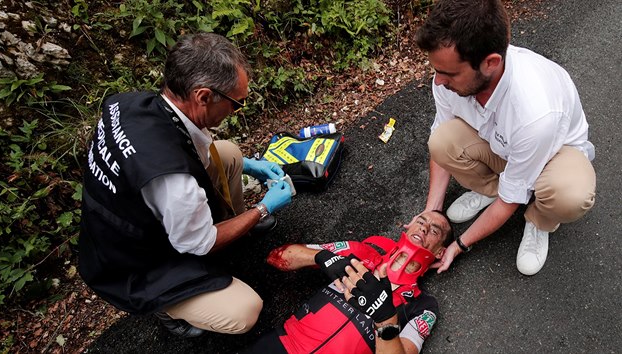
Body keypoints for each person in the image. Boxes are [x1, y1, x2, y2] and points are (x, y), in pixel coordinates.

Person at [78, 33, 293, 338]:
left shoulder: (131, 103)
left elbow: (179, 148)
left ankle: (233, 227)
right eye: (237, 103)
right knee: (245, 311)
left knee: (229, 153)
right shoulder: (174, 183)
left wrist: (248, 164)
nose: (237, 110)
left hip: (120, 221)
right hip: (132, 264)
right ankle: (166, 309)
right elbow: (197, 242)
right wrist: (263, 207)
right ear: (203, 96)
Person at [408, 0, 596, 276]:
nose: (438, 82)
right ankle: (492, 191)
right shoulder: (449, 79)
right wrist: (430, 215)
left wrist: (458, 245)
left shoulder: (534, 111)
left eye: (449, 73)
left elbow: (511, 200)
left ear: (490, 63)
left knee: (570, 195)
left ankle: (539, 219)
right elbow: (441, 138)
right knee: (441, 143)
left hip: (554, 155)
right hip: (506, 144)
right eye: (436, 70)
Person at [244, 210, 453, 354]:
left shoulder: (424, 307)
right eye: (421, 222)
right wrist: (320, 257)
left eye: (435, 231)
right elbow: (278, 257)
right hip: (282, 345)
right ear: (408, 228)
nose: (424, 229)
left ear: (440, 252)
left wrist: (386, 321)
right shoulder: (359, 252)